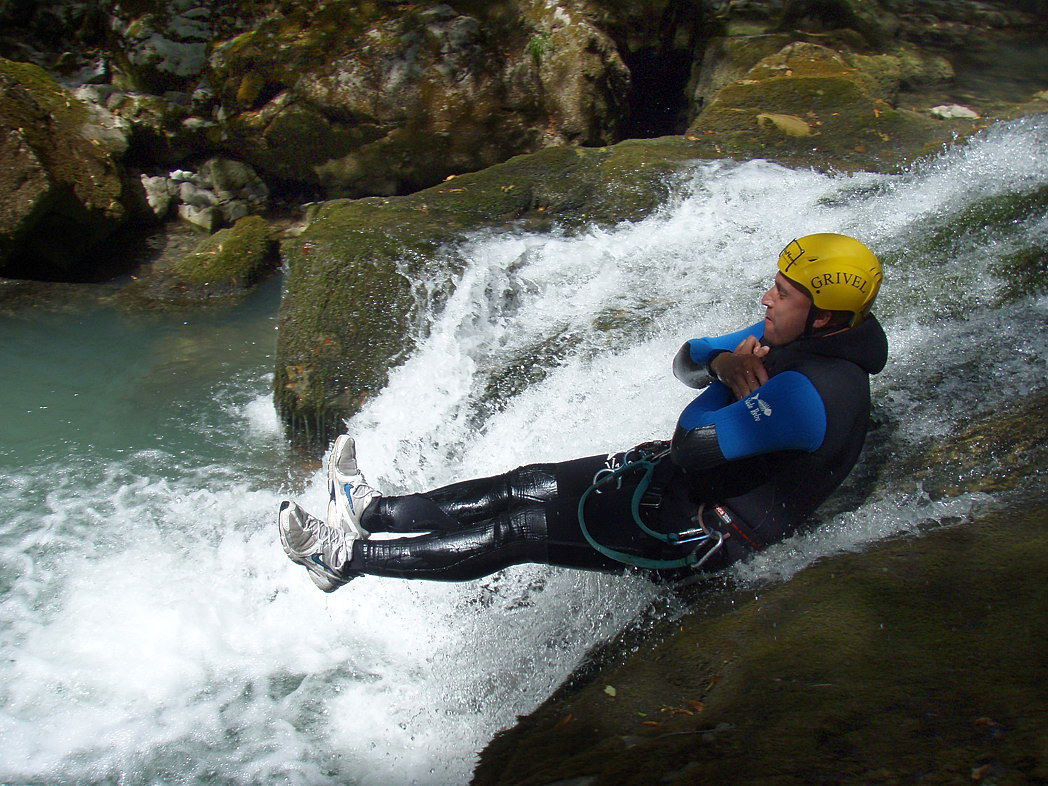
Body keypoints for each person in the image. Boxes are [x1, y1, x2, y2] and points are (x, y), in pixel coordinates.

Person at [278, 233, 888, 591]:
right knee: (526, 484)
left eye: (782, 293)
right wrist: (727, 363)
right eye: (775, 285)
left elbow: (691, 439)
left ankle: (341, 560)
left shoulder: (813, 390)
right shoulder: (798, 334)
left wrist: (725, 384)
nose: (766, 298)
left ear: (826, 316)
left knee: (520, 529)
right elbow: (688, 360)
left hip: (702, 535)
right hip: (683, 483)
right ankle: (374, 510)